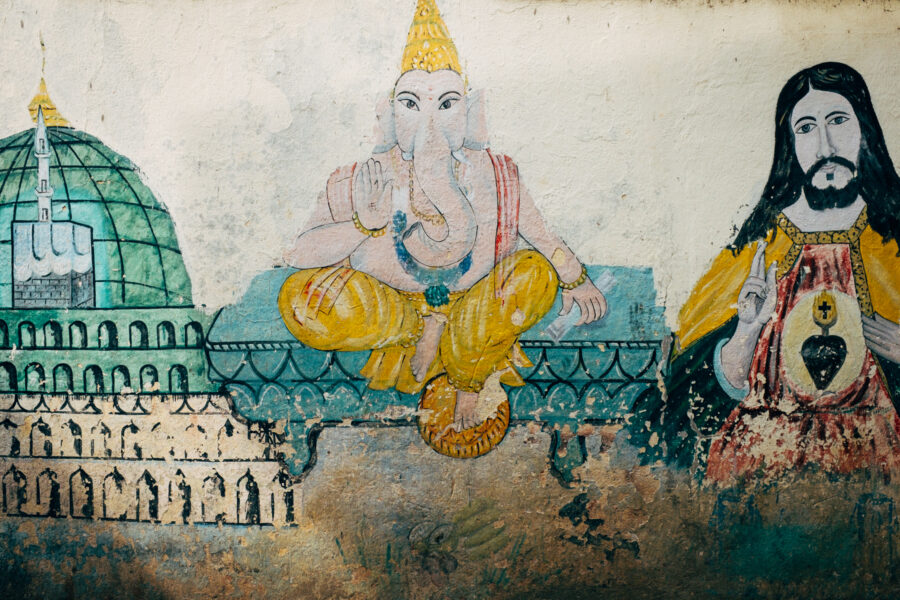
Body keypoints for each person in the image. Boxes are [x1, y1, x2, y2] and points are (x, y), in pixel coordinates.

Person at [278, 0, 606, 458]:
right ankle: (423, 326)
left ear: (471, 113)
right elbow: (300, 253)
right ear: (389, 113)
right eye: (411, 104)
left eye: (447, 104)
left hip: (477, 307)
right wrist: (361, 225)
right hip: (394, 311)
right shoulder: (361, 177)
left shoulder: (497, 174)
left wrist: (574, 277)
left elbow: (541, 234)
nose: (429, 122)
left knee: (536, 274)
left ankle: (467, 377)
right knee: (300, 299)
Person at [626, 62, 900, 482]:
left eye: (838, 120)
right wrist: (747, 329)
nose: (825, 144)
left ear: (865, 129)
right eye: (805, 128)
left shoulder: (892, 241)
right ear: (790, 144)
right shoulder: (758, 247)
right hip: (757, 466)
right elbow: (695, 396)